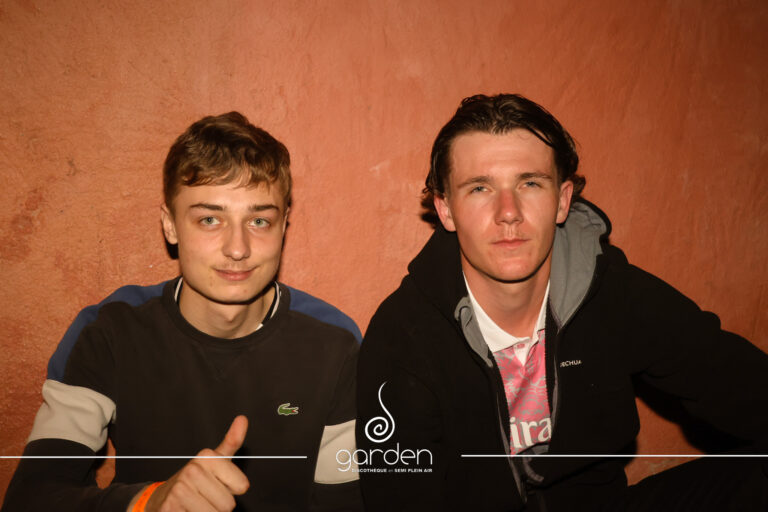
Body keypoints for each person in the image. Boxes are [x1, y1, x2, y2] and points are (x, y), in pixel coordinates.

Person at [356, 94, 768, 511]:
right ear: (446, 210)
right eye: (480, 188)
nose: (508, 212)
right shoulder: (403, 337)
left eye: (530, 184)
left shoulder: (608, 290)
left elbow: (734, 380)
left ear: (563, 199)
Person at [2, 112, 363, 511]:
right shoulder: (110, 332)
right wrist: (149, 502)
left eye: (259, 220)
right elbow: (31, 499)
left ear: (283, 226)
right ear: (170, 225)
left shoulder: (333, 344)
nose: (238, 248)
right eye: (210, 219)